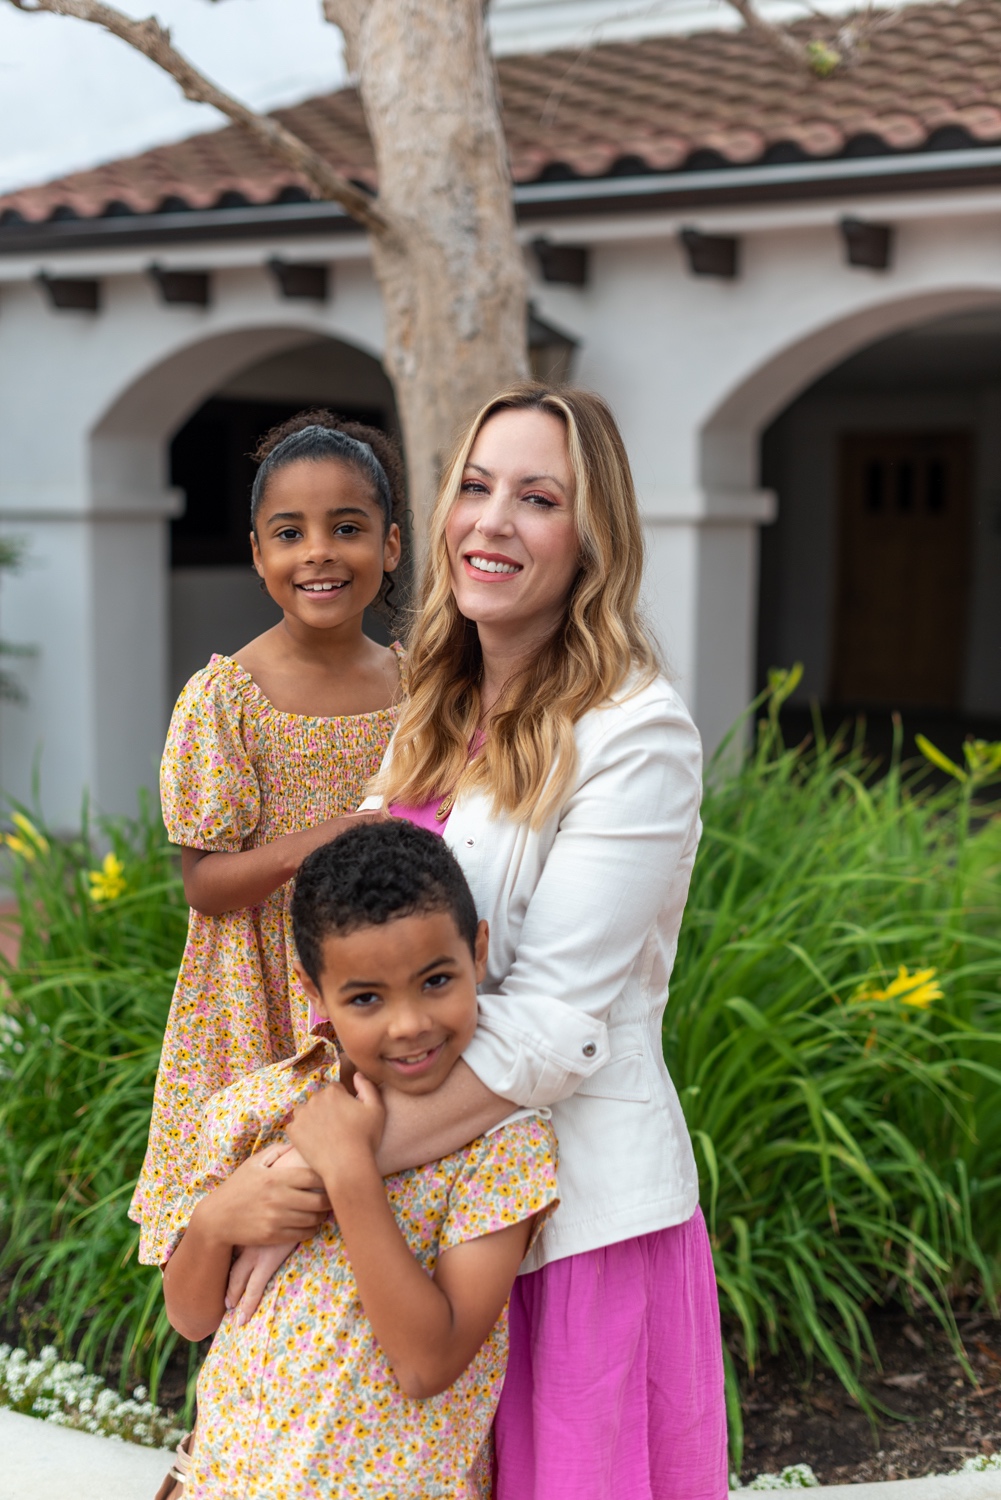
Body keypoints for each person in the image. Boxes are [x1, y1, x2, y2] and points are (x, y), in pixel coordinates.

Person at [228, 383, 727, 1500]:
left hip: (568, 1231)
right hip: (419, 1223)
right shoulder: (433, 709)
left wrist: (313, 1169)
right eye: (475, 485)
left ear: (591, 541)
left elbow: (549, 1028)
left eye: (537, 498)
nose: (491, 520)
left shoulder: (633, 733)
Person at [160, 820, 558, 1500]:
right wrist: (214, 1223)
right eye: (366, 998)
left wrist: (350, 1173)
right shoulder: (259, 1109)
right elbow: (191, 1317)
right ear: (313, 993)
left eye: (435, 980)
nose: (408, 1024)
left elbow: (427, 1364)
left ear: (478, 951)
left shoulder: (501, 1148)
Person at [129, 412, 406, 1268]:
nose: (318, 552)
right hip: (259, 993)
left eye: (347, 528)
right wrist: (320, 839)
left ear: (390, 547)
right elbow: (205, 885)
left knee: (373, 1204)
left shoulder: (417, 685)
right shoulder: (226, 699)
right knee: (255, 1212)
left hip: (381, 976)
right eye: (290, 533)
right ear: (258, 555)